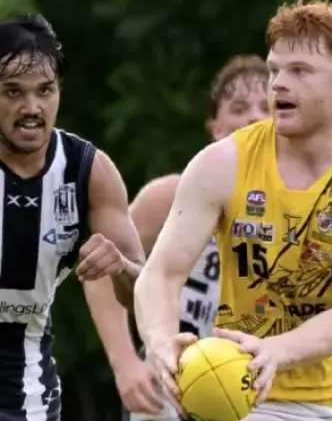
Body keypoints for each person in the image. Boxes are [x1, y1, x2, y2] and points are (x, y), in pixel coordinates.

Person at [133, 0, 332, 421]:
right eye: (274, 70)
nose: (278, 84)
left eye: (300, 71)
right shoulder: (221, 163)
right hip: (244, 394)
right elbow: (161, 274)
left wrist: (275, 351)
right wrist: (159, 341)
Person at [85, 55, 269, 421]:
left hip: (258, 389)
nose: (253, 116)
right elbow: (102, 268)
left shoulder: (303, 206)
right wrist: (125, 363)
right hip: (171, 386)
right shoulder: (170, 197)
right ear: (215, 127)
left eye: (267, 107)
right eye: (238, 108)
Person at [0, 13, 144, 421]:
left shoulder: (89, 171)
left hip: (24, 381)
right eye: (12, 92)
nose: (32, 108)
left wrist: (120, 267)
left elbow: (145, 296)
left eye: (45, 91)